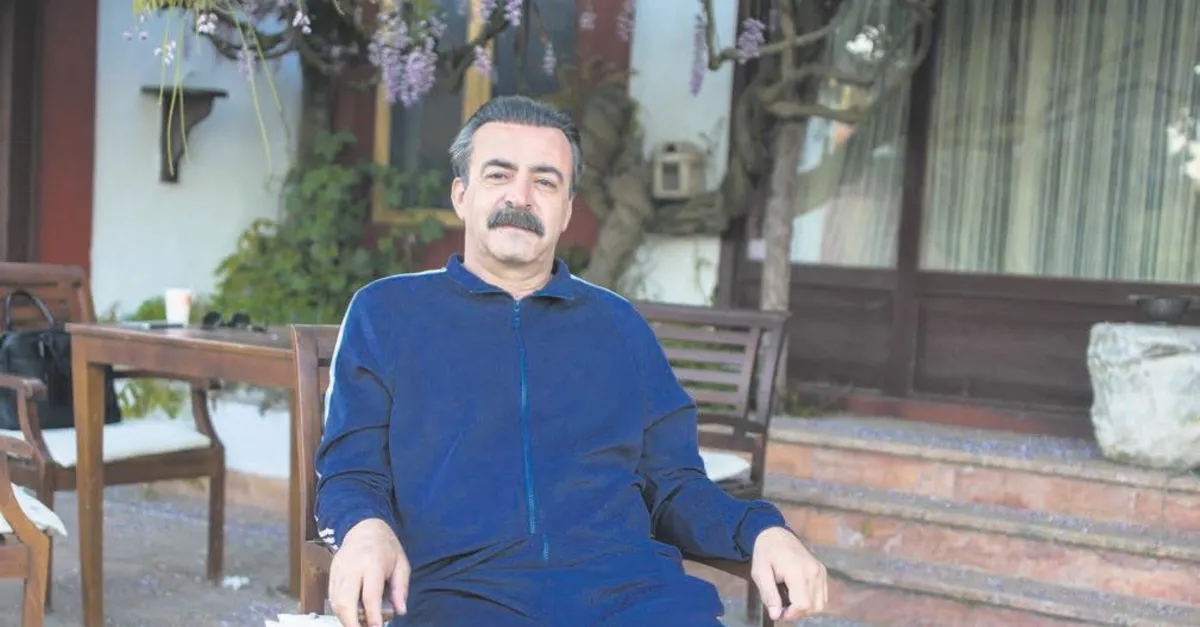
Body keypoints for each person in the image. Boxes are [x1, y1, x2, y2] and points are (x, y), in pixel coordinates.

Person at [315, 95, 828, 627]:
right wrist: (364, 529)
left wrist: (762, 530)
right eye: (499, 175)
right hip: (458, 597)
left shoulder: (619, 326)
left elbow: (675, 485)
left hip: (630, 597)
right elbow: (350, 472)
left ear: (566, 210)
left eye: (545, 181)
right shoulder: (388, 313)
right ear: (461, 195)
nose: (520, 196)